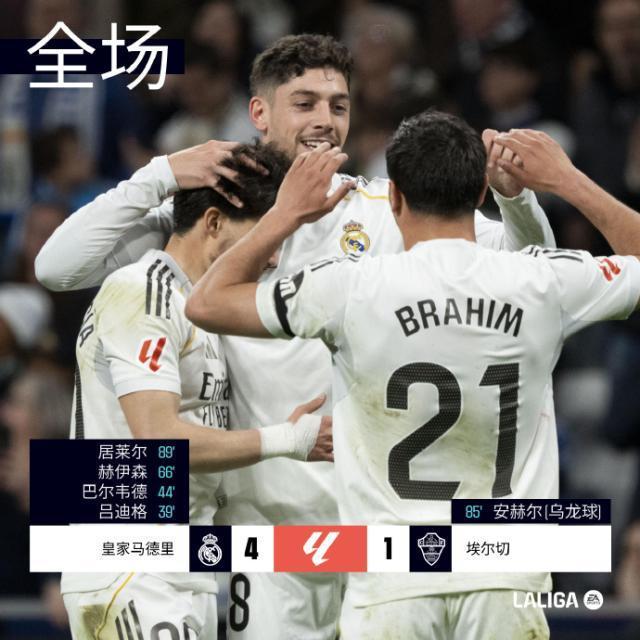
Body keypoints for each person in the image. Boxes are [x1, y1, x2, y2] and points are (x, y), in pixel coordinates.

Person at [35, 34, 556, 640]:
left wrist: (517, 203)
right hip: (265, 539)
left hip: (375, 532)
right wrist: (161, 173)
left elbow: (530, 270)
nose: (325, 120)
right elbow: (56, 267)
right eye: (304, 103)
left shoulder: (382, 210)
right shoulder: (222, 208)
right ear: (259, 113)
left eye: (339, 105)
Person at [185, 116, 640, 640]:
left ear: (394, 197)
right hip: (503, 572)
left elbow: (206, 303)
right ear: (479, 193)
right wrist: (565, 179)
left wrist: (284, 214)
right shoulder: (543, 280)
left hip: (391, 579)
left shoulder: (351, 287)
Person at [60, 143, 332, 640]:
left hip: (187, 566)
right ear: (212, 222)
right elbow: (157, 437)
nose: (274, 256)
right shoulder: (142, 290)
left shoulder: (202, 311)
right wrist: (287, 439)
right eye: (265, 235)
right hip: (129, 561)